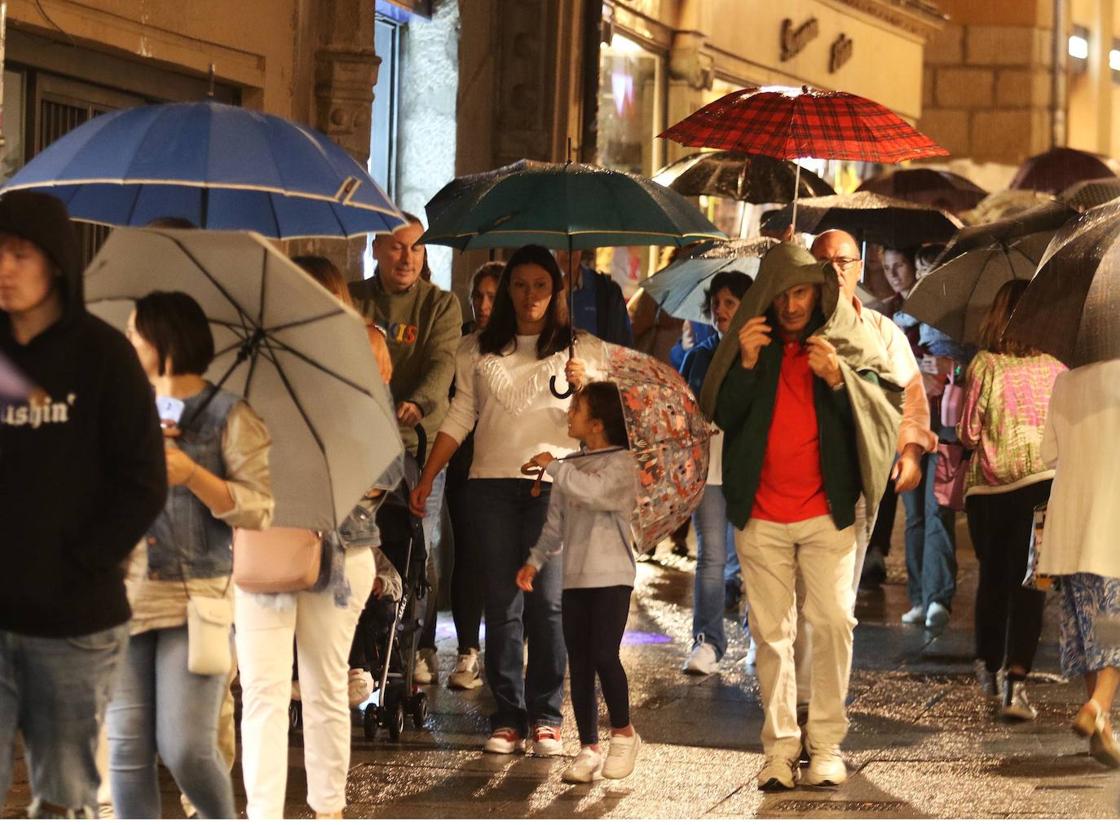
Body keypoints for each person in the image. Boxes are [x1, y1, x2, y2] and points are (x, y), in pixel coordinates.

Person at [700, 243, 902, 791]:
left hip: (827, 513)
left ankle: (828, 745)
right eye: (782, 293)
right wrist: (742, 364)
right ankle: (781, 748)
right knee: (771, 635)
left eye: (801, 292)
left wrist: (840, 380)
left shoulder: (844, 339)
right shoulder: (752, 342)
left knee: (834, 622)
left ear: (819, 292)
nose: (791, 305)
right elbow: (718, 409)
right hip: (761, 514)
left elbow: (887, 402)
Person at [0, 191, 168, 817]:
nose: (5, 268)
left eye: (20, 254)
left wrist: (83, 560)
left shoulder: (103, 357)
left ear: (57, 265)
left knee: (65, 794)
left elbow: (144, 481)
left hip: (74, 624)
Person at [410, 244, 606, 756]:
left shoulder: (580, 348)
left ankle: (546, 716)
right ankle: (507, 715)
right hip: (489, 486)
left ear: (556, 291)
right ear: (507, 292)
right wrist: (429, 475)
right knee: (501, 604)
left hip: (554, 487)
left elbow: (602, 428)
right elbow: (459, 417)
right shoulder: (474, 349)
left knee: (547, 603)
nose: (530, 295)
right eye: (521, 285)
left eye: (542, 285)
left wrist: (589, 390)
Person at [108, 291, 274, 819]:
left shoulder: (229, 414)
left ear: (163, 341)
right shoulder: (118, 407)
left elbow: (258, 509)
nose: (128, 343)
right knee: (127, 750)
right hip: (122, 597)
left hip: (196, 599)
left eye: (135, 333)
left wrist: (192, 474)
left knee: (185, 746)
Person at [349, 212, 462, 686]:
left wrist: (418, 401)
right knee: (354, 544)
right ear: (376, 249)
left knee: (419, 545)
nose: (406, 257)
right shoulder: (355, 300)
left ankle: (416, 644)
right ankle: (356, 646)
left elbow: (441, 362)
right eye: (396, 247)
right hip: (358, 442)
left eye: (417, 248)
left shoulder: (439, 305)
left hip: (418, 445)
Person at [515, 381, 641, 783]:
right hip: (576, 578)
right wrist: (534, 561)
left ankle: (624, 733)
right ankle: (589, 747)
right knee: (580, 663)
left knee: (605, 654)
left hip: (613, 576)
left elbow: (597, 494)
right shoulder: (569, 466)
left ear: (598, 423)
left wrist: (555, 466)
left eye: (576, 409)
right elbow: (556, 526)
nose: (568, 415)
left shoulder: (622, 463)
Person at [957, 279, 1065, 722]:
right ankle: (1016, 684)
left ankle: (986, 663)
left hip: (990, 493)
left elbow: (968, 432)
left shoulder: (984, 365)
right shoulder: (1058, 367)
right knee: (1032, 586)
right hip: (1043, 489)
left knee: (994, 580)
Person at [811, 232, 934, 589]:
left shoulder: (882, 331)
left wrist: (910, 453)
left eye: (843, 261)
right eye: (824, 262)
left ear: (859, 268)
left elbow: (910, 395)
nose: (834, 270)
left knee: (840, 594)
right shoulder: (795, 323)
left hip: (859, 477)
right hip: (798, 479)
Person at [1038, 357, 1120, 768]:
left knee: (1091, 633)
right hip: (1112, 523)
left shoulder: (1065, 381)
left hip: (1070, 527)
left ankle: (1101, 727)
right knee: (1114, 629)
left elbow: (1047, 454)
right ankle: (1098, 706)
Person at [679, 270, 754, 674]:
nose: (721, 312)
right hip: (708, 469)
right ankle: (707, 641)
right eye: (717, 304)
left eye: (731, 304)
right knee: (711, 557)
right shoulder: (699, 355)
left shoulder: (761, 350)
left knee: (755, 555)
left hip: (749, 469)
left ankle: (758, 635)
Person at [883, 245, 962, 629]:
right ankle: (919, 596)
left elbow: (972, 360)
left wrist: (950, 367)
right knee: (913, 515)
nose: (895, 273)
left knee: (937, 510)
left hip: (944, 423)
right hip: (908, 422)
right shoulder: (888, 315)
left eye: (901, 265)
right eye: (888, 267)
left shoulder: (952, 311)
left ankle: (938, 597)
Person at [444, 261, 503, 690]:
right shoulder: (463, 344)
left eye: (491, 298)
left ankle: (506, 647)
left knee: (507, 558)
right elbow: (455, 406)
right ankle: (468, 649)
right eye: (477, 297)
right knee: (467, 554)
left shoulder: (527, 347)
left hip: (510, 465)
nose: (483, 306)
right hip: (466, 462)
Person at [555, 248, 634, 346]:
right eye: (562, 247)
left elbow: (623, 340)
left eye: (575, 248)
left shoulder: (606, 290)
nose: (568, 253)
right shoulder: (546, 289)